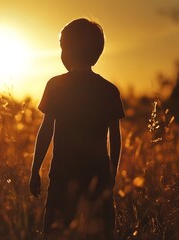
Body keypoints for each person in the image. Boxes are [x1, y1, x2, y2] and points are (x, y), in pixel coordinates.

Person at [29, 18, 125, 239]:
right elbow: (115, 138)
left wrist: (35, 171)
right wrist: (112, 174)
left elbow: (46, 131)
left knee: (55, 231)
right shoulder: (109, 90)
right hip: (98, 176)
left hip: (63, 173)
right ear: (96, 53)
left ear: (67, 52)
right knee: (101, 232)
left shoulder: (56, 85)